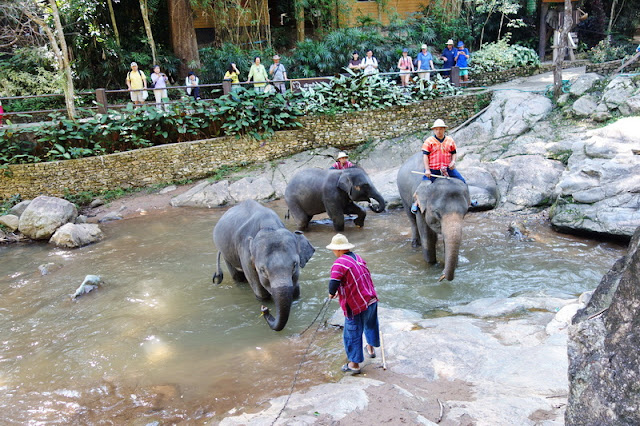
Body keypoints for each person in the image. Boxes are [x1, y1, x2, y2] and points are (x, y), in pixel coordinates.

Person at [326, 233, 380, 375]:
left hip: (356, 305)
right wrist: (339, 290)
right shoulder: (357, 257)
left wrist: (332, 293)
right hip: (371, 299)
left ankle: (354, 364)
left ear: (338, 250)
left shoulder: (339, 263)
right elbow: (351, 279)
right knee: (370, 324)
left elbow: (333, 283)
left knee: (352, 333)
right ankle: (370, 349)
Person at [411, 118, 466, 213]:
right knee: (424, 185)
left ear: (444, 129)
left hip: (447, 168)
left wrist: (453, 161)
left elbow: (454, 152)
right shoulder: (429, 141)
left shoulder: (450, 140)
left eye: (440, 129)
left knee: (462, 181)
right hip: (433, 169)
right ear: (434, 130)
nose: (438, 131)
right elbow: (425, 156)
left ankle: (468, 200)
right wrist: (427, 170)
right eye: (436, 129)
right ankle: (416, 203)